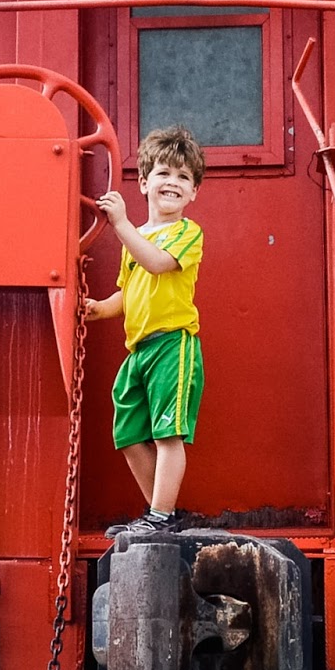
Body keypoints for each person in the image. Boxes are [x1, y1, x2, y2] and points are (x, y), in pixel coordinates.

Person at [86, 126, 205, 536]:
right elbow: (127, 292)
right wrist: (98, 309)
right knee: (129, 433)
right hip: (139, 349)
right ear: (143, 183)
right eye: (163, 173)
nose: (173, 182)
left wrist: (120, 224)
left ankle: (160, 516)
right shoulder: (134, 240)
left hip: (173, 343)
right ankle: (162, 514)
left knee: (169, 433)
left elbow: (157, 263)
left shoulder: (187, 233)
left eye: (183, 176)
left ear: (193, 192)